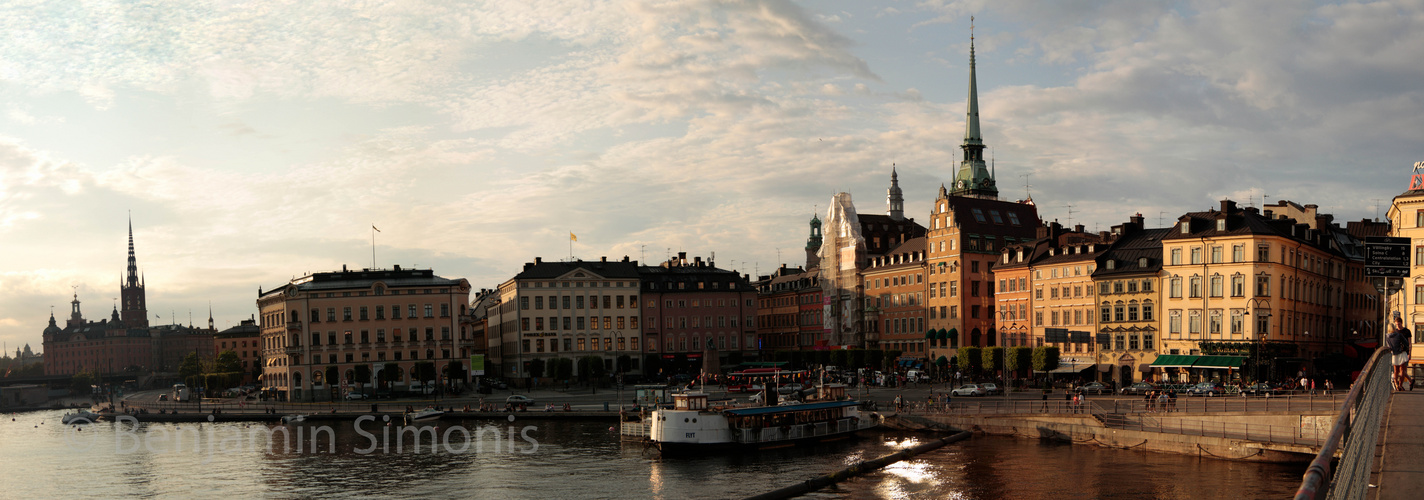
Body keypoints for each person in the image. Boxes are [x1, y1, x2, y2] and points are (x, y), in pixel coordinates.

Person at [1389, 312, 1413, 391]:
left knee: (1403, 370)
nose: (1398, 326)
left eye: (1399, 324)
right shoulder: (1395, 332)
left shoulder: (1407, 331)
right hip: (1397, 353)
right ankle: (1406, 382)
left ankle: (1400, 385)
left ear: (1401, 323)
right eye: (1396, 324)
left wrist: (1410, 353)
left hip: (1404, 353)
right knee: (1397, 370)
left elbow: (1409, 343)